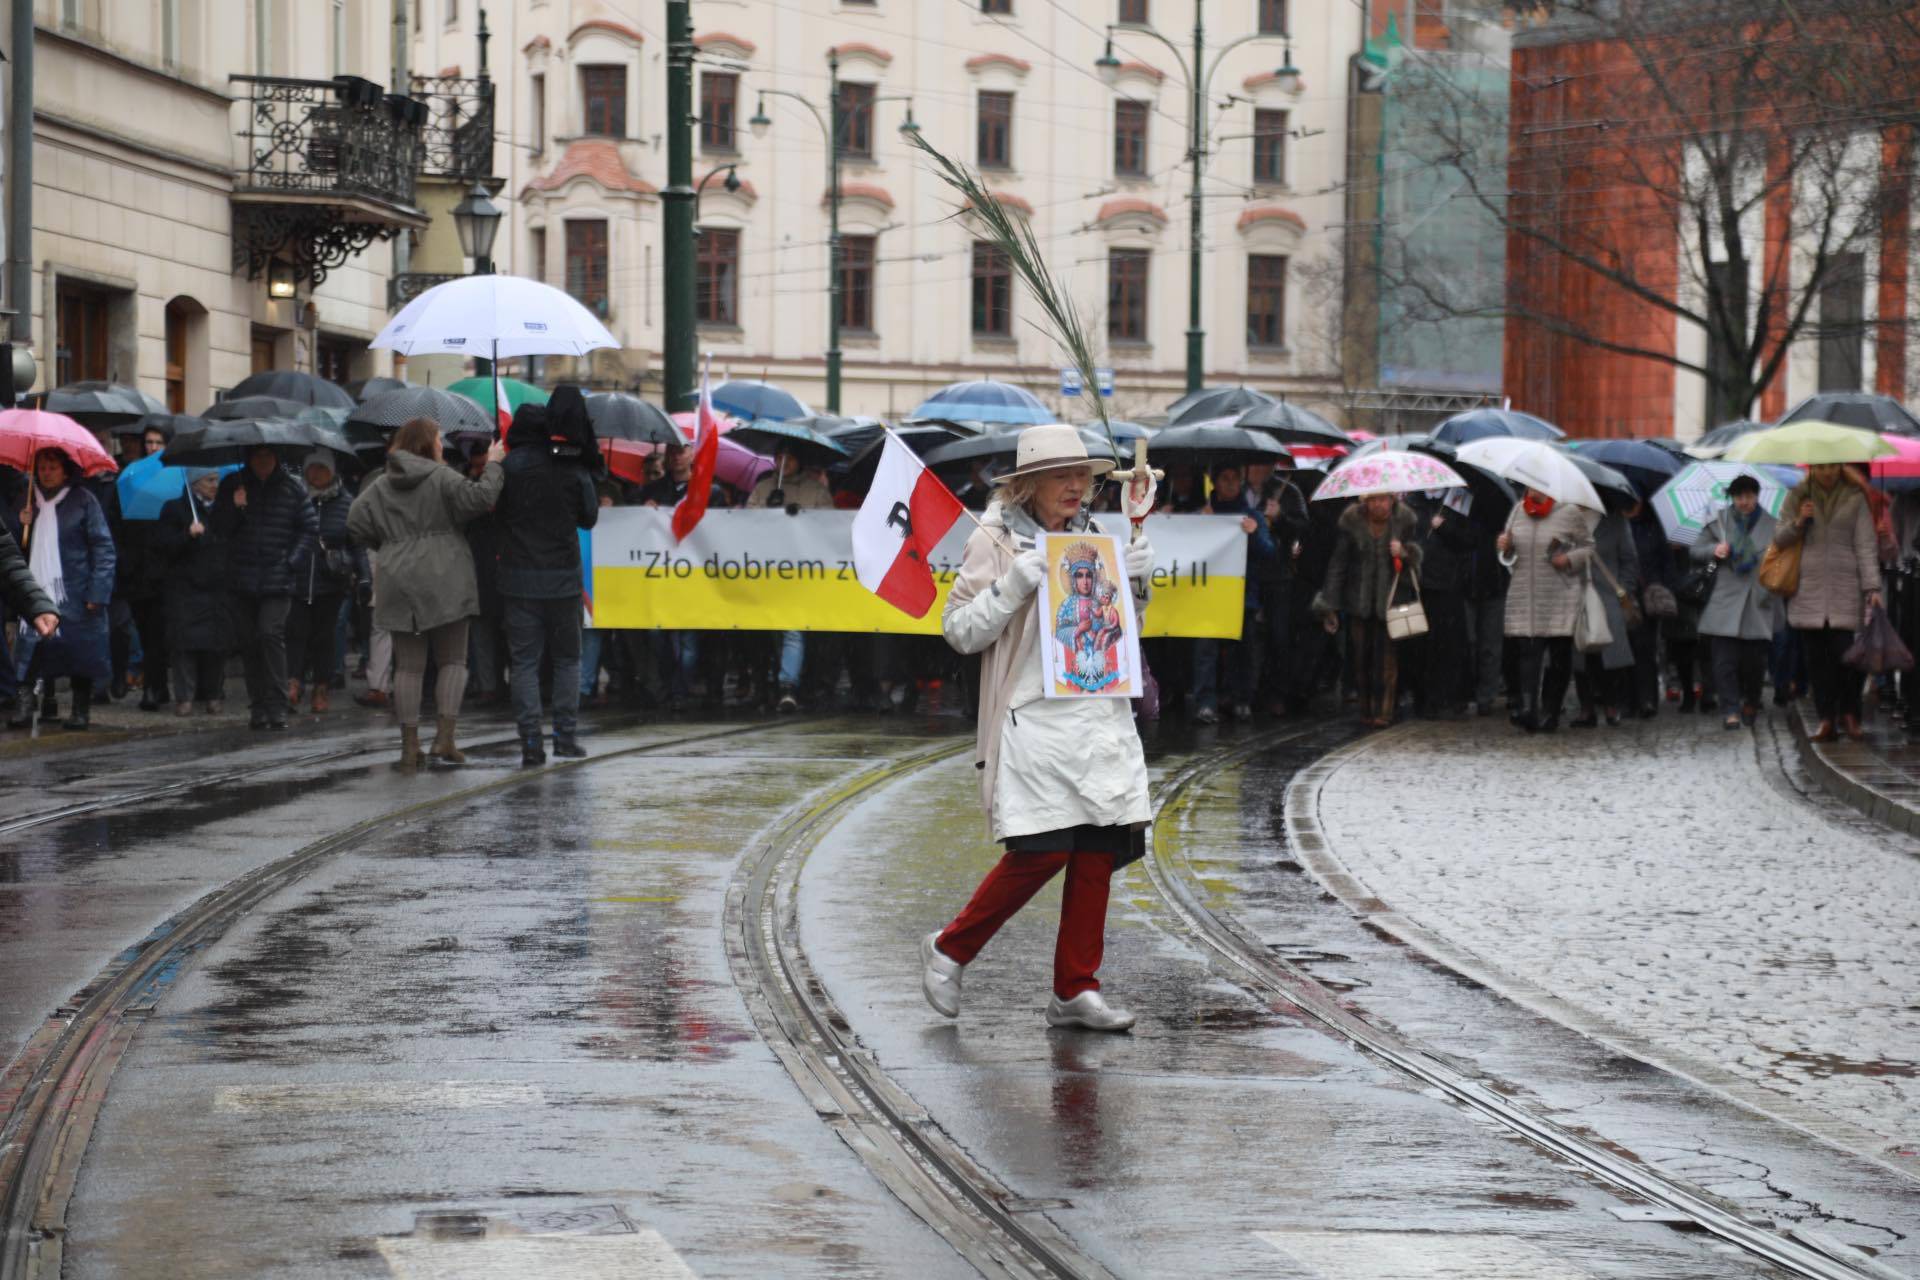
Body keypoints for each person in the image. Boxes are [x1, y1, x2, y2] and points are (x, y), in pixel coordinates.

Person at [920, 424, 1156, 1032]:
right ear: (1029, 485)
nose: (1078, 486)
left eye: (1084, 475)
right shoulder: (994, 540)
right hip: (1034, 718)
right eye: (1062, 475)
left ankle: (1075, 988)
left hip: (1098, 713)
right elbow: (960, 631)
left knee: (1100, 846)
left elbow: (1117, 631)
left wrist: (1136, 586)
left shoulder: (1095, 538)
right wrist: (1013, 584)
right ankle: (951, 947)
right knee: (1044, 845)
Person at [348, 418, 505, 771]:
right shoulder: (441, 477)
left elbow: (355, 522)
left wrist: (390, 545)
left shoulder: (381, 483)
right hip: (445, 574)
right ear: (427, 444)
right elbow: (479, 499)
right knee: (453, 660)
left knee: (408, 667)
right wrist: (493, 464)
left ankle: (409, 747)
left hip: (398, 577)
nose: (441, 444)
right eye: (438, 438)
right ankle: (444, 739)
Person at [498, 398, 599, 764]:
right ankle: (565, 737)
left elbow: (489, 512)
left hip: (518, 580)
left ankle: (529, 742)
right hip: (563, 581)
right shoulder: (570, 464)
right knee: (567, 659)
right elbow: (589, 518)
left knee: (523, 662)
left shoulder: (505, 468)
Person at [5, 449, 116, 729]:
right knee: (30, 646)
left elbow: (103, 547)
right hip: (36, 589)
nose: (46, 472)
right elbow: (11, 551)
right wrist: (21, 525)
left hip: (75, 590)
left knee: (80, 649)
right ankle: (25, 703)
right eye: (41, 467)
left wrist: (98, 591)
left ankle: (80, 708)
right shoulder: (27, 500)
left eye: (52, 467)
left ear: (65, 471)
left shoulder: (83, 501)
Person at [1773, 462, 1881, 741]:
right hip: (1808, 586)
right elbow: (1779, 538)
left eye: (1832, 467)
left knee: (1847, 656)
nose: (1827, 472)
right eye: (1821, 467)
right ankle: (1826, 718)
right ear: (1813, 469)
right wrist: (1799, 521)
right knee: (1816, 661)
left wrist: (1872, 586)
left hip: (1846, 585)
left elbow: (1865, 544)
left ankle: (1849, 713)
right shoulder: (1797, 495)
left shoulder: (1854, 497)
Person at [213, 445, 317, 729]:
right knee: (249, 643)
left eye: (268, 455)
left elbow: (309, 528)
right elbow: (219, 529)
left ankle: (277, 703)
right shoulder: (233, 485)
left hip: (277, 578)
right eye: (257, 455)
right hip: (242, 578)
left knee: (270, 634)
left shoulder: (292, 489)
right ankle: (258, 704)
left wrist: (291, 561)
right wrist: (235, 508)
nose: (263, 461)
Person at [1314, 492, 1423, 728]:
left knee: (1388, 660)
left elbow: (1417, 563)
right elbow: (1338, 564)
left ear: (1392, 500)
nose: (1378, 505)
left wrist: (1404, 554)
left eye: (1383, 499)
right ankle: (1366, 709)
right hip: (1358, 601)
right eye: (1373, 500)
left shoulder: (1405, 521)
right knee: (1362, 657)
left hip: (1391, 602)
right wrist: (1329, 605)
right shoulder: (1351, 522)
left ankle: (1385, 710)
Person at [1497, 486, 1595, 732]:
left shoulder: (1568, 512)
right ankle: (1529, 711)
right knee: (1528, 657)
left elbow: (1589, 548)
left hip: (1559, 597)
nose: (1533, 489)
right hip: (1525, 597)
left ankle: (1550, 712)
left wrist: (1569, 559)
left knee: (1559, 660)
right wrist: (1505, 547)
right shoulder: (1518, 511)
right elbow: (1509, 556)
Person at [748, 452, 836, 711]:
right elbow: (745, 521)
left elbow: (829, 524)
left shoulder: (815, 491)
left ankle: (788, 685)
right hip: (767, 572)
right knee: (771, 633)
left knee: (791, 628)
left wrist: (804, 518)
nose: (784, 461)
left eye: (790, 457)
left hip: (802, 574)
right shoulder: (763, 489)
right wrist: (768, 512)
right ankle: (771, 683)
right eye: (779, 456)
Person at [1695, 474, 1779, 730]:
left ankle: (1751, 701)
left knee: (1755, 664)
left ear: (1757, 496)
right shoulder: (1718, 522)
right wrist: (1714, 550)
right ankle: (1730, 709)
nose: (1744, 502)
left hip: (1758, 598)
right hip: (1725, 599)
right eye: (1739, 497)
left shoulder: (1773, 524)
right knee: (1724, 661)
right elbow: (1695, 550)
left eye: (1749, 496)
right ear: (1732, 498)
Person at [1190, 463, 1271, 723]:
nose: (1230, 484)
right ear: (1215, 482)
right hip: (1208, 596)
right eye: (1225, 478)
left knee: (1242, 652)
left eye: (1235, 478)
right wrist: (1199, 523)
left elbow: (1268, 552)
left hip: (1241, 596)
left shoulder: (1251, 516)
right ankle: (1206, 703)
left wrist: (1255, 533)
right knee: (1206, 651)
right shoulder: (1203, 513)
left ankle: (1241, 700)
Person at [151, 469, 233, 714]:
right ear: (195, 483)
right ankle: (184, 696)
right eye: (210, 480)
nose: (215, 485)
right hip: (185, 588)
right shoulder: (174, 509)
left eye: (217, 480)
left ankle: (213, 694)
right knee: (184, 645)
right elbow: (162, 545)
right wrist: (187, 535)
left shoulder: (222, 509)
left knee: (216, 646)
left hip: (216, 587)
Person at [286, 450, 354, 713]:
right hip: (299, 578)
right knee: (296, 633)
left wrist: (361, 576)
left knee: (324, 637)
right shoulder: (295, 497)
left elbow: (355, 541)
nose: (316, 474)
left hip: (330, 582)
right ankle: (293, 682)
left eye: (321, 468)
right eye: (311, 468)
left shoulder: (345, 501)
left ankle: (321, 686)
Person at [1571, 507, 1641, 727]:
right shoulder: (1567, 518)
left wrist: (1623, 590)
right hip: (1575, 594)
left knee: (1608, 654)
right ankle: (1586, 708)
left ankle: (1612, 705)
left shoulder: (1615, 521)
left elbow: (1629, 559)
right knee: (1579, 652)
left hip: (1608, 596)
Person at [124, 422, 173, 710]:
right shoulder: (132, 476)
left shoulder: (173, 478)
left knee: (158, 633)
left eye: (158, 443)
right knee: (143, 631)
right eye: (149, 442)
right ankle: (155, 684)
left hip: (164, 570)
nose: (153, 448)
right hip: (137, 569)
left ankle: (154, 687)